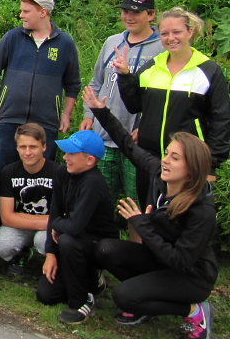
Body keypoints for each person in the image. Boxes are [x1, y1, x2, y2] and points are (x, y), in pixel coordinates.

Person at [85, 86, 218, 338]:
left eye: (175, 158)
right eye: (167, 154)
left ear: (192, 167)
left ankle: (194, 310)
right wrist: (100, 111)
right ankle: (146, 298)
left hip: (191, 276)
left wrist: (142, 224)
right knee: (105, 249)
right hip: (160, 260)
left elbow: (180, 261)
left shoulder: (202, 210)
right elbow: (128, 145)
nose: (165, 160)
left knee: (123, 296)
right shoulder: (159, 175)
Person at [114, 7, 230, 200]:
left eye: (177, 32)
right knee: (149, 212)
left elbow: (222, 121)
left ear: (190, 32)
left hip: (187, 161)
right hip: (149, 160)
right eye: (165, 33)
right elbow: (135, 106)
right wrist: (125, 76)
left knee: (181, 215)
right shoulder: (152, 66)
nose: (171, 38)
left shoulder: (208, 70)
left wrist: (210, 165)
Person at [80, 0, 163, 208]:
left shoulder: (162, 47)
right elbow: (96, 81)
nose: (129, 17)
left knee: (137, 202)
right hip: (103, 137)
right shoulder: (112, 42)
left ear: (151, 14)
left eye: (136, 12)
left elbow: (162, 97)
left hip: (135, 142)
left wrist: (146, 127)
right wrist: (89, 115)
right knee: (100, 201)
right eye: (125, 11)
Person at [0, 0, 81, 169]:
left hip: (45, 123)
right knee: (3, 172)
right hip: (8, 119)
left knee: (42, 174)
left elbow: (73, 84)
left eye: (26, 11)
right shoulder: (13, 37)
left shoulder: (65, 44)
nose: (21, 15)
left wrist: (66, 114)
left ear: (43, 12)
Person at [35, 129, 117, 324]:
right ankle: (89, 279)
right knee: (46, 295)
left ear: (90, 160)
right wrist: (50, 253)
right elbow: (56, 211)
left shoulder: (93, 182)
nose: (65, 157)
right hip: (73, 240)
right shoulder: (63, 172)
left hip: (97, 244)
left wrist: (57, 225)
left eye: (71, 154)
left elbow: (74, 226)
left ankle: (81, 300)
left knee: (67, 240)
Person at [0, 123, 60, 276]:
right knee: (3, 246)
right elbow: (6, 217)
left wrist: (51, 223)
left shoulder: (58, 172)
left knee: (44, 241)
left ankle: (52, 263)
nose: (28, 152)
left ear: (44, 147)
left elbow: (63, 216)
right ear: (16, 148)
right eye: (23, 147)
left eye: (33, 147)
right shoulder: (9, 172)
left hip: (43, 226)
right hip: (32, 223)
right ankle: (22, 252)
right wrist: (48, 221)